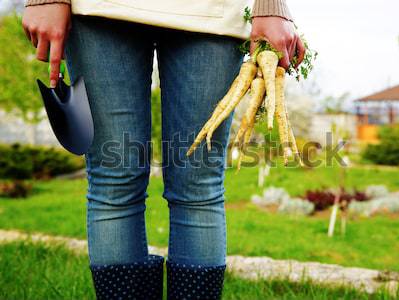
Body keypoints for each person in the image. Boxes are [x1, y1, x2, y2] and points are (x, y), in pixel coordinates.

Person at [22, 0, 304, 299]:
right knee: (113, 182)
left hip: (212, 12)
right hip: (99, 10)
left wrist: (271, 5)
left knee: (198, 188)